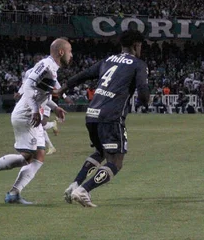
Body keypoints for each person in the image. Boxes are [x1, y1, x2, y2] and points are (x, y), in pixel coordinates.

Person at [0, 39, 71, 204]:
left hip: (29, 113)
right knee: (27, 157)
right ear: (61, 52)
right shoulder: (46, 66)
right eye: (70, 51)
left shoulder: (51, 68)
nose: (71, 55)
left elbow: (40, 93)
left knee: (39, 156)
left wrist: (54, 107)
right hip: (26, 115)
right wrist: (35, 110)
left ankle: (14, 193)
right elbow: (29, 88)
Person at [58, 30, 149, 208]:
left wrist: (62, 89)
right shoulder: (138, 64)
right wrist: (143, 100)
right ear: (136, 45)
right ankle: (84, 190)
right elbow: (144, 94)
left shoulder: (108, 60)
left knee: (101, 152)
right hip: (111, 116)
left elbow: (83, 75)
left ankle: (74, 185)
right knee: (115, 162)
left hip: (92, 113)